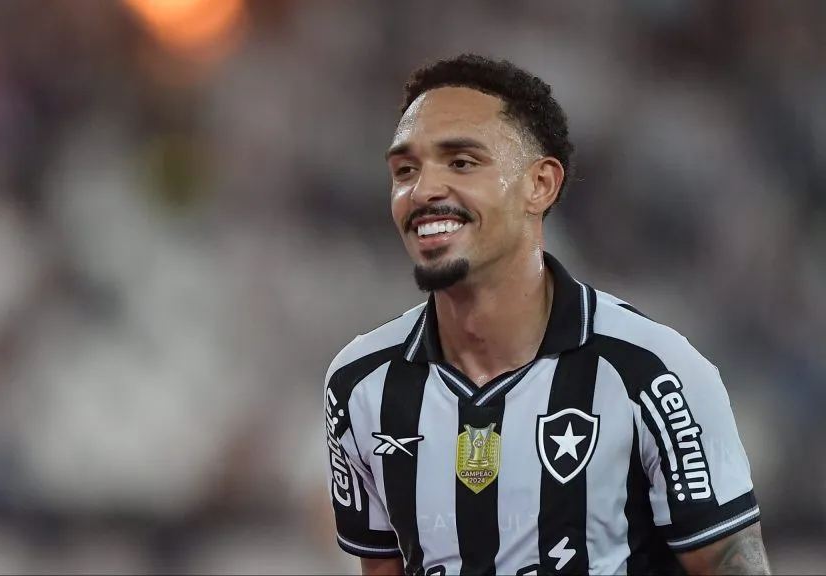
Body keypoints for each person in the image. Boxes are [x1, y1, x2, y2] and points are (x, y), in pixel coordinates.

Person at [323, 54, 771, 576]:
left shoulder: (652, 371)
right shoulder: (360, 385)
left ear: (540, 184)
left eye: (461, 162)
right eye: (405, 170)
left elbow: (733, 566)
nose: (422, 190)